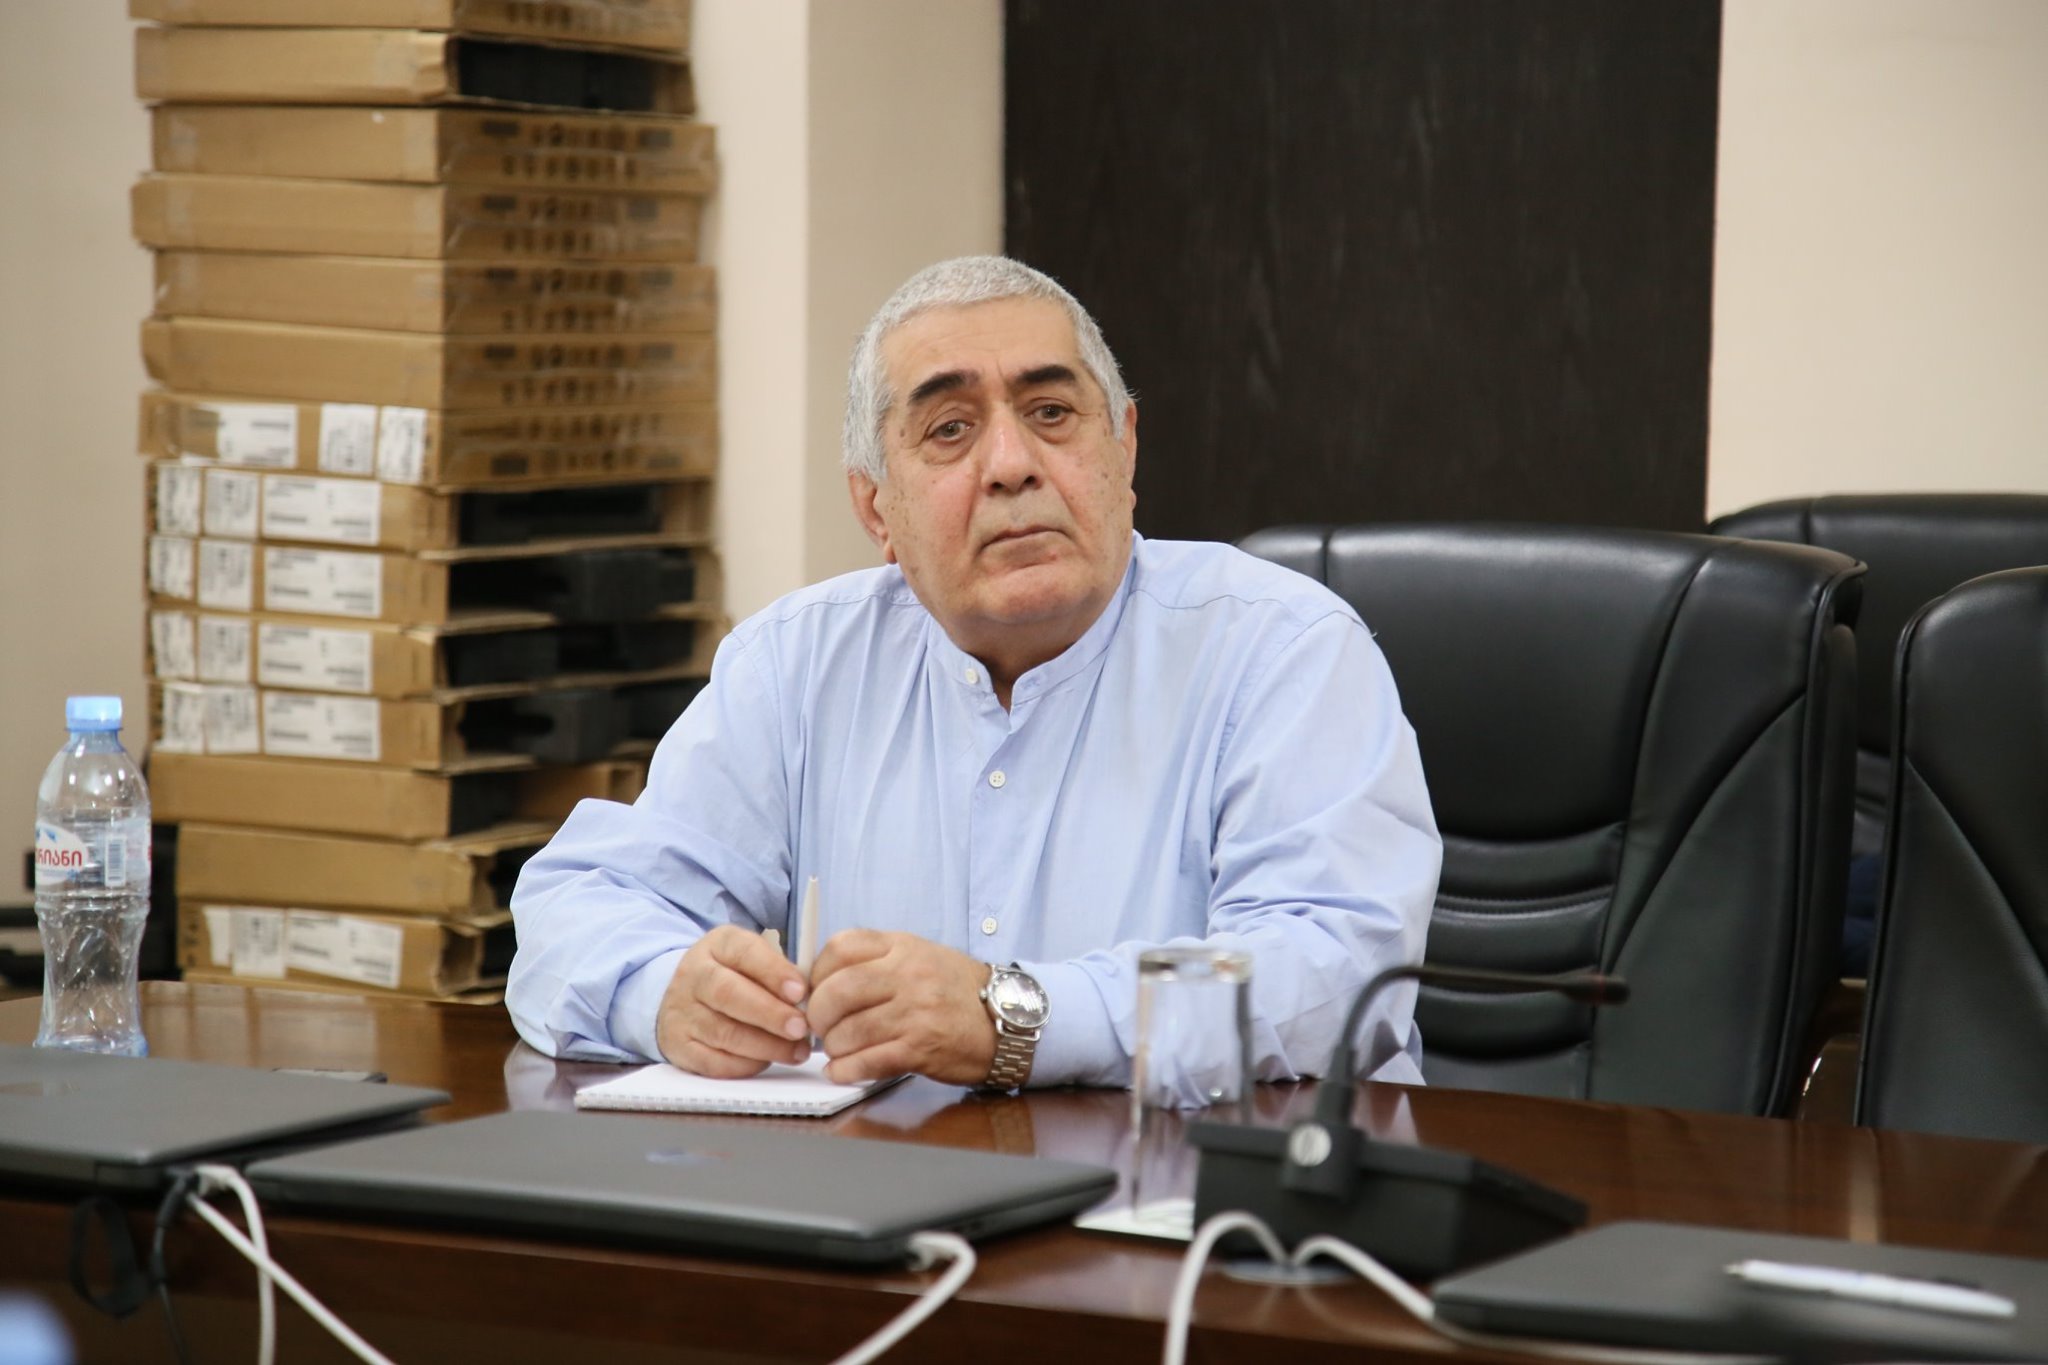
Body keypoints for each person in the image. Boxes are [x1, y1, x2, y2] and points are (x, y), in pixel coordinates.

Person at [507, 256, 1440, 1093]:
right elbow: (579, 907)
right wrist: (665, 992)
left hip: (1205, 1203)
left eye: (1051, 414)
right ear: (877, 508)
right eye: (950, 429)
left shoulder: (1284, 649)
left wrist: (1014, 1017)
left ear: (1124, 448)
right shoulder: (797, 665)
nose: (1011, 465)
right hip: (888, 1198)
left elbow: (1329, 971)